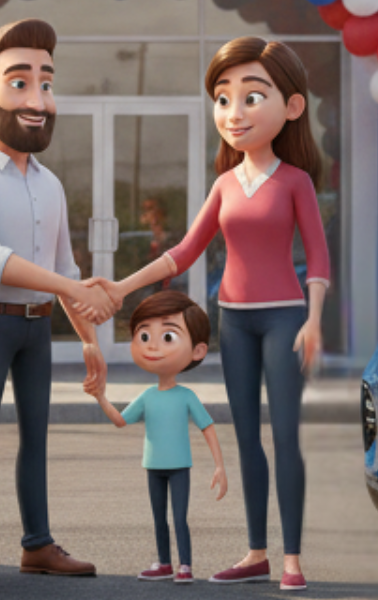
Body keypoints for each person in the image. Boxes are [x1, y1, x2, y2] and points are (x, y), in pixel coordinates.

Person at [97, 36, 330, 591]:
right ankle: (256, 553)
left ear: (292, 107)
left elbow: (318, 257)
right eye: (223, 99)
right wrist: (122, 286)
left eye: (252, 97)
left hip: (284, 319)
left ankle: (292, 559)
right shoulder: (225, 184)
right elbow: (184, 251)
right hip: (235, 321)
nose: (234, 113)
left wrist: (315, 320)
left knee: (285, 437)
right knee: (246, 437)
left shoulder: (295, 181)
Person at [0, 18, 117, 583]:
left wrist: (89, 342)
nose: (38, 101)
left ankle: (37, 544)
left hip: (38, 328)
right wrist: (71, 289)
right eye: (20, 83)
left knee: (36, 437)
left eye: (46, 83)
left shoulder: (51, 184)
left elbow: (67, 269)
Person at [87, 291, 228, 585]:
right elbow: (121, 421)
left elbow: (207, 426)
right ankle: (165, 563)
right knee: (159, 518)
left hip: (179, 467)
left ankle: (185, 565)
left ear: (197, 351)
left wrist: (220, 465)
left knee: (179, 518)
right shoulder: (146, 396)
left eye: (167, 337)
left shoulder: (186, 396)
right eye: (144, 336)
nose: (152, 346)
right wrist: (101, 397)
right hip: (153, 466)